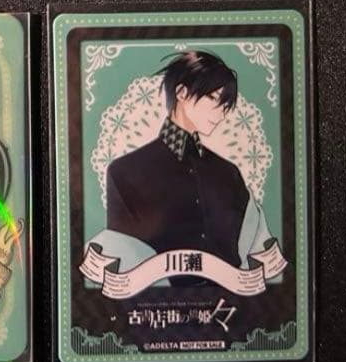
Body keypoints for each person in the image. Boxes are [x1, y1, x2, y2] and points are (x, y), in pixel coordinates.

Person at [104, 50, 248, 281]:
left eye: (225, 106)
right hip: (154, 300)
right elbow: (122, 261)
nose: (220, 114)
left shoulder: (229, 173)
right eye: (213, 99)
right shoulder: (124, 172)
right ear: (182, 93)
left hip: (232, 299)